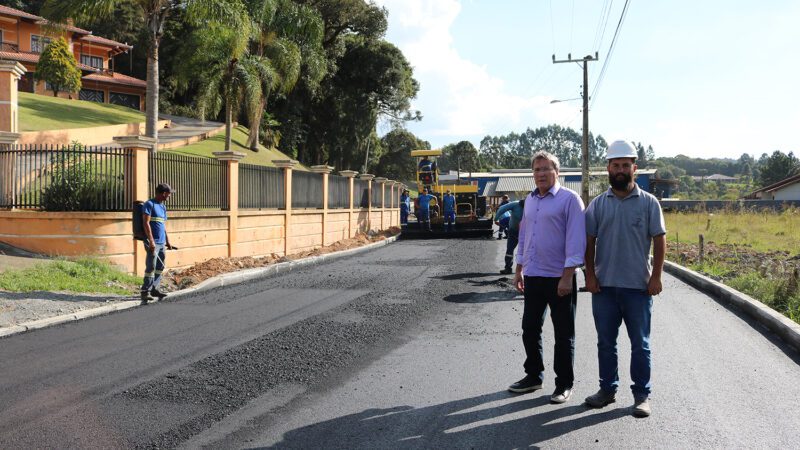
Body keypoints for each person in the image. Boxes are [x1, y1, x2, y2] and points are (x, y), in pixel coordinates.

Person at [583, 140, 666, 418]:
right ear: (608, 168)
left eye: (625, 165)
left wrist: (656, 277)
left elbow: (659, 239)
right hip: (604, 289)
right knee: (606, 343)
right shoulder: (597, 205)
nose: (620, 169)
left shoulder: (649, 203)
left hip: (638, 289)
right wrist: (590, 276)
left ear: (634, 167)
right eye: (616, 165)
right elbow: (589, 242)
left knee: (640, 344)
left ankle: (641, 396)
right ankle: (607, 391)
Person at [509, 151, 586, 404]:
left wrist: (567, 277)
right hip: (533, 275)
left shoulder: (570, 200)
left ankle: (564, 384)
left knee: (564, 334)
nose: (540, 174)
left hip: (559, 278)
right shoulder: (530, 200)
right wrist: (519, 268)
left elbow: (576, 241)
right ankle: (533, 376)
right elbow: (524, 237)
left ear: (557, 172)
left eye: (545, 169)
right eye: (536, 170)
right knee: (530, 329)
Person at [140, 183, 175, 304]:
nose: (169, 196)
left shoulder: (163, 207)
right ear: (163, 193)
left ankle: (155, 289)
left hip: (161, 242)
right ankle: (145, 291)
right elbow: (146, 223)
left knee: (160, 267)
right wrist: (151, 241)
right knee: (151, 266)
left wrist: (168, 241)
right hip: (153, 242)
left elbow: (163, 225)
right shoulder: (149, 204)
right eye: (169, 194)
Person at [494, 198, 524, 274]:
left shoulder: (533, 206)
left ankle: (526, 270)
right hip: (513, 231)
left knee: (528, 251)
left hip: (526, 232)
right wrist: (496, 219)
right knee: (510, 250)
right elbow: (501, 209)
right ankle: (508, 268)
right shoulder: (515, 204)